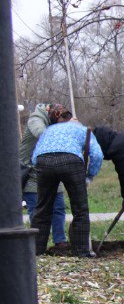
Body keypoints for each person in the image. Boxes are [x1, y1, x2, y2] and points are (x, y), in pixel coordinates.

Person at [30, 107, 102, 257]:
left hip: (43, 161)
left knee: (42, 209)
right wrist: (89, 176)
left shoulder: (48, 131)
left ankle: (36, 251)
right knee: (80, 209)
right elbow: (97, 154)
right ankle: (81, 251)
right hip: (71, 160)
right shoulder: (80, 129)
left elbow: (34, 157)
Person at [20, 103, 70, 249]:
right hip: (31, 172)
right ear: (54, 116)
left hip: (52, 168)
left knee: (58, 207)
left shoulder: (56, 122)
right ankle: (37, 243)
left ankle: (60, 241)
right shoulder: (36, 119)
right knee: (36, 210)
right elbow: (41, 134)